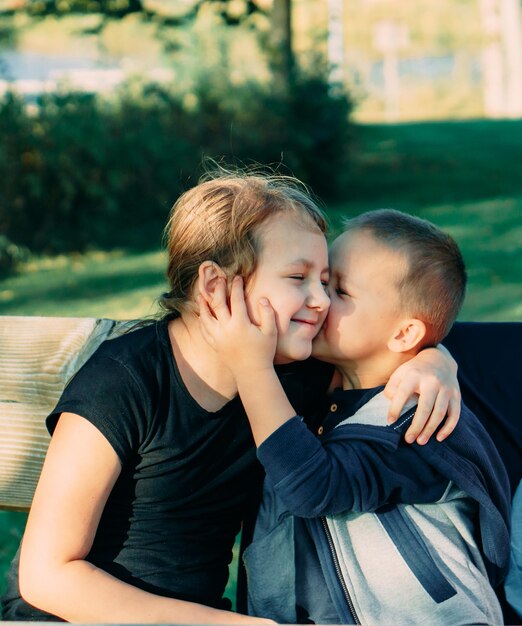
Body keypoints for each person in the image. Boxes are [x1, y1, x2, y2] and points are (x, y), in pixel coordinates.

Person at [1, 173, 460, 624]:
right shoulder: (124, 381)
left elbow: (404, 330)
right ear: (216, 286)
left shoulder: (290, 376)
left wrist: (435, 360)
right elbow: (47, 577)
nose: (320, 300)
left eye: (325, 281)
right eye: (298, 277)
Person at [199, 208, 511, 625]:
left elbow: (313, 486)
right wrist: (437, 357)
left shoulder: (417, 422)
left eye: (339, 291)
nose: (319, 300)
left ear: (404, 335)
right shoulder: (323, 387)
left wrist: (250, 366)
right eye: (321, 281)